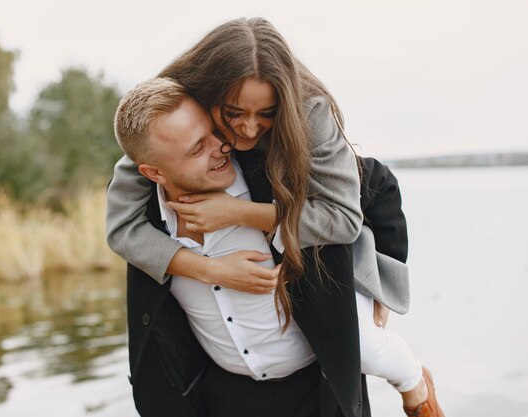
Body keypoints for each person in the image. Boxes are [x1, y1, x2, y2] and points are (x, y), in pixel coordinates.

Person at [108, 18, 443, 417]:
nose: (247, 129)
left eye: (265, 113)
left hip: (317, 349)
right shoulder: (170, 125)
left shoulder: (308, 116)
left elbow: (370, 194)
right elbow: (123, 220)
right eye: (232, 114)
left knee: (368, 346)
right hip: (225, 387)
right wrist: (209, 270)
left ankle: (415, 386)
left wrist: (240, 213)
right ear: (206, 98)